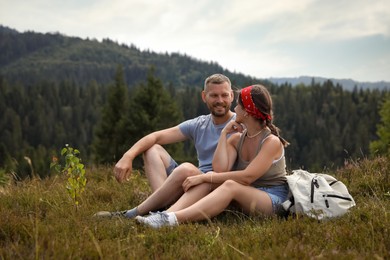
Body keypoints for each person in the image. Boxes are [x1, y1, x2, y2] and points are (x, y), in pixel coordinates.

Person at [135, 84, 290, 228]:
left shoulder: (271, 142)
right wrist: (224, 135)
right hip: (248, 195)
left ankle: (173, 219)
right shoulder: (237, 138)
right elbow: (219, 169)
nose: (235, 108)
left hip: (272, 199)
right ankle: (164, 216)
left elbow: (246, 177)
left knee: (227, 184)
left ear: (247, 112)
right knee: (212, 180)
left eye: (238, 105)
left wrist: (204, 177)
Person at [95, 73, 235, 218]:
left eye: (224, 95)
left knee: (186, 169)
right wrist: (128, 155)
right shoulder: (199, 124)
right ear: (204, 96)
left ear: (231, 96)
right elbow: (156, 136)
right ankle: (160, 208)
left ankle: (132, 214)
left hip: (217, 187)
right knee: (151, 149)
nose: (220, 100)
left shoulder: (240, 124)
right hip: (194, 183)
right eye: (214, 96)